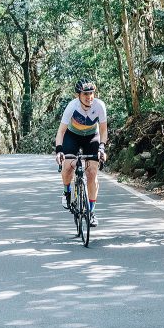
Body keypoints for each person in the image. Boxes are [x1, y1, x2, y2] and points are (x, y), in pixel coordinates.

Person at [54, 79, 108, 226]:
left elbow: (103, 130)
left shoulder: (99, 106)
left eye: (91, 93)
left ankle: (91, 212)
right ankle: (67, 191)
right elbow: (61, 132)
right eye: (85, 94)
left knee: (92, 173)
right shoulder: (72, 107)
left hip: (92, 137)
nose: (89, 96)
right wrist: (59, 151)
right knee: (67, 166)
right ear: (78, 95)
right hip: (72, 136)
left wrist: (102, 148)